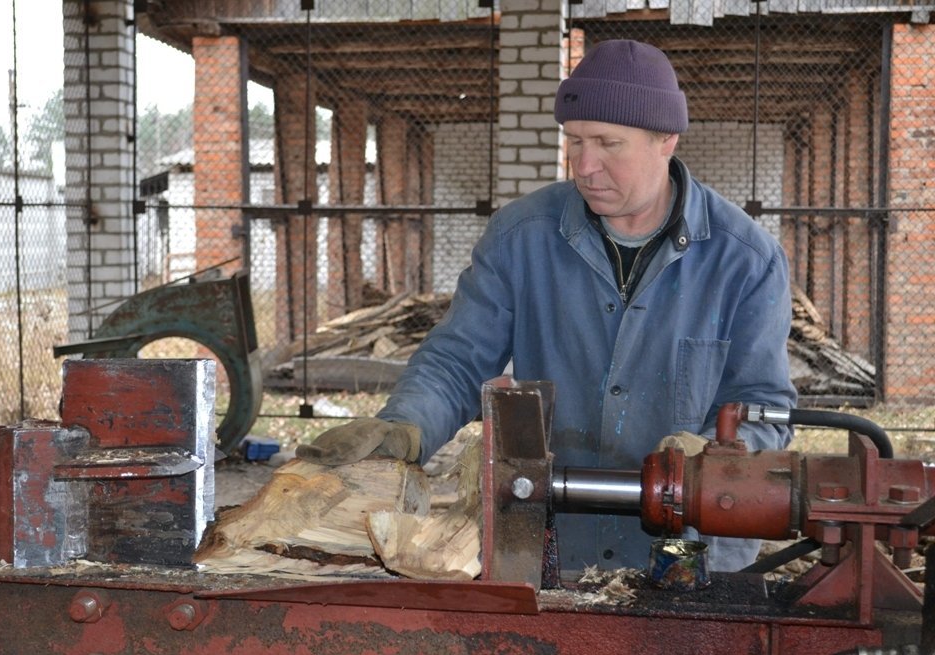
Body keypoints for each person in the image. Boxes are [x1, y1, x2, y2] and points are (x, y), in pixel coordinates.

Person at [298, 39, 797, 574]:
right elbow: (458, 362)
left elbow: (763, 406)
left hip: (689, 551)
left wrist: (710, 456)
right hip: (552, 544)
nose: (585, 165)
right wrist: (407, 427)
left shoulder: (745, 259)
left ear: (666, 140)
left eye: (609, 143)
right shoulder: (521, 237)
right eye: (575, 140)